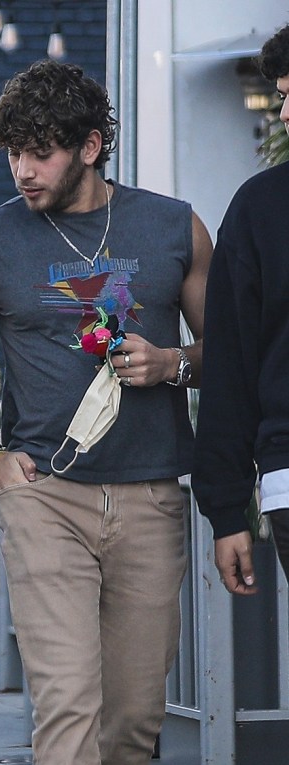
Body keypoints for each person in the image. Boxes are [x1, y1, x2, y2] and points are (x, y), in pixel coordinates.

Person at [0, 59, 212, 765]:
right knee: (65, 698)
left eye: (39, 153)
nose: (22, 171)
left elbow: (231, 346)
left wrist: (173, 364)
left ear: (91, 147)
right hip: (45, 497)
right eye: (12, 154)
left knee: (134, 714)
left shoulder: (172, 227)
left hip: (150, 493)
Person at [192, 24, 289, 593]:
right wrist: (227, 509)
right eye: (280, 96)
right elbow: (231, 365)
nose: (284, 114)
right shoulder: (260, 209)